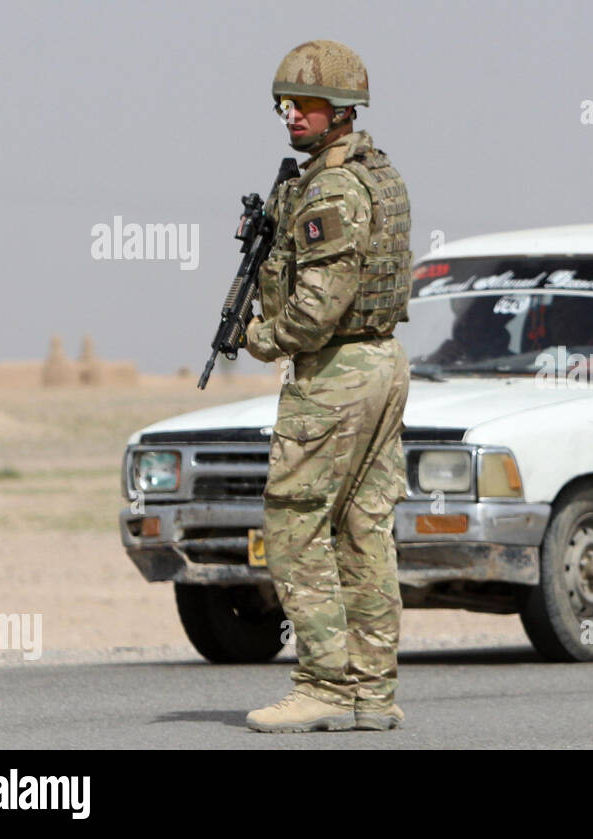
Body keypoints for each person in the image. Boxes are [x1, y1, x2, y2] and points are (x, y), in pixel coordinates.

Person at [242, 40, 412, 733]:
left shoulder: (334, 188)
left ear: (342, 110)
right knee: (364, 528)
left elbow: (317, 308)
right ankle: (372, 693)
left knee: (293, 520)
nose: (291, 114)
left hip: (339, 371)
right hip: (379, 364)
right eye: (285, 102)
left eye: (305, 103)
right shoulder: (372, 173)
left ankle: (322, 684)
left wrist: (261, 337)